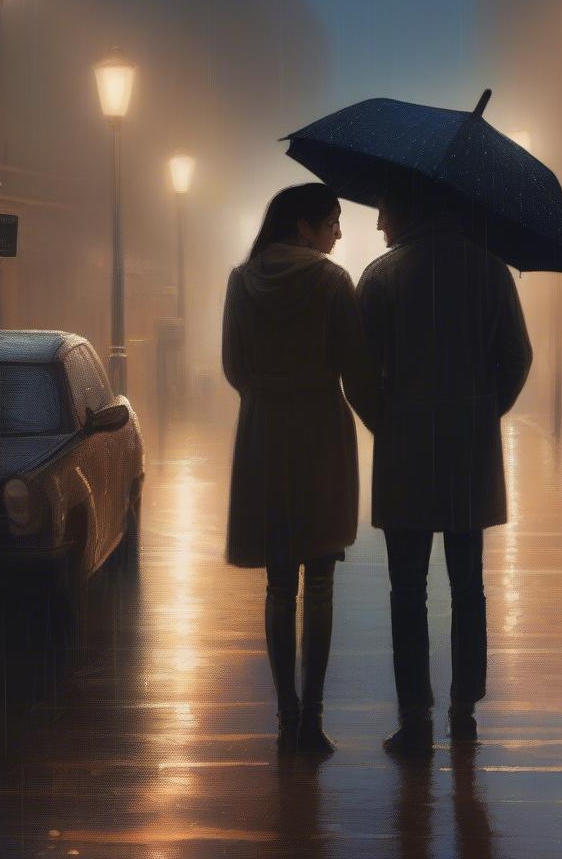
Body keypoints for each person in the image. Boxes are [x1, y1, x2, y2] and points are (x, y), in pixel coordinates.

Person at [356, 177, 533, 756]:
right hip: (468, 453)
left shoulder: (381, 278)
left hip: (405, 452)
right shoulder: (491, 270)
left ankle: (415, 717)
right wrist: (483, 411)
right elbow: (517, 355)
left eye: (383, 208)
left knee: (406, 588)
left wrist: (388, 421)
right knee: (467, 585)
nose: (378, 223)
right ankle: (464, 706)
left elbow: (356, 370)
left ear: (406, 209)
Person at [222, 183, 376, 755]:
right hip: (319, 434)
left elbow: (233, 366)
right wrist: (384, 421)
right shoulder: (333, 282)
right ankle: (312, 718)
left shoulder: (242, 281)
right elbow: (355, 367)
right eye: (333, 222)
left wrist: (268, 395)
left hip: (264, 436)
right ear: (305, 227)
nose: (339, 233)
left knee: (279, 583)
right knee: (322, 581)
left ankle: (284, 714)